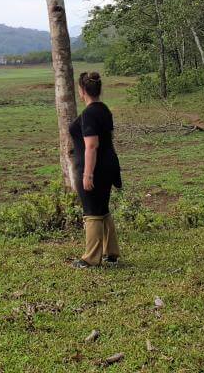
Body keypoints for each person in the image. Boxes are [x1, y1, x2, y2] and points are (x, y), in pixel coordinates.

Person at [68, 71, 122, 268]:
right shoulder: (104, 109)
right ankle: (111, 252)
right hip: (108, 165)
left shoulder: (90, 114)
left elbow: (92, 145)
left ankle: (90, 258)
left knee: (91, 211)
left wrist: (87, 174)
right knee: (103, 208)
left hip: (95, 167)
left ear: (82, 91)